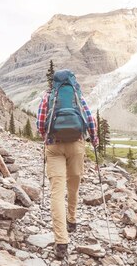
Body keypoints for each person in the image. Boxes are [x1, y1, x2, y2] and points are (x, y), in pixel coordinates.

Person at [36, 69, 99, 259]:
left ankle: (61, 241)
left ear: (54, 83)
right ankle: (72, 219)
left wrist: (46, 138)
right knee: (73, 186)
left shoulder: (48, 96)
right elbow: (89, 119)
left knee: (57, 192)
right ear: (72, 81)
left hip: (54, 147)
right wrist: (94, 140)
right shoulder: (77, 95)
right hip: (76, 146)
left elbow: (40, 122)